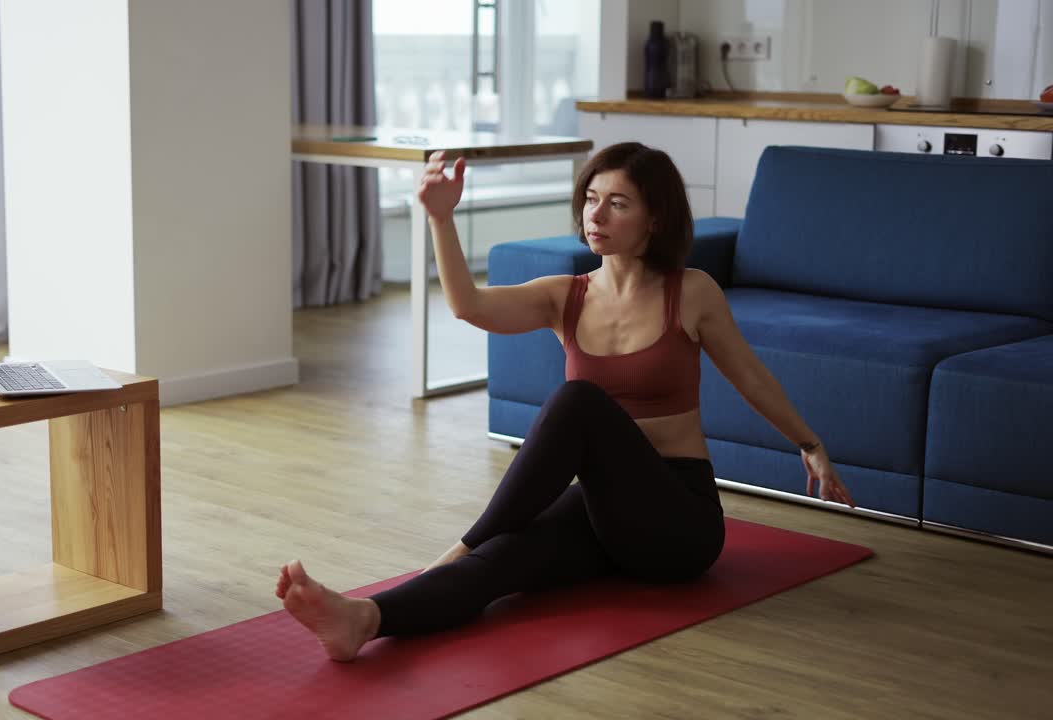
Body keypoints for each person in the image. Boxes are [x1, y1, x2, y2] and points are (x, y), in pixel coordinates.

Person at [275, 142, 856, 662]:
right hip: (604, 515)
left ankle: (456, 547)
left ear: (654, 218)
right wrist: (440, 218)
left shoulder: (692, 292)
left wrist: (811, 445)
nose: (596, 215)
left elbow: (750, 377)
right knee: (500, 562)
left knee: (579, 402)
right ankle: (365, 619)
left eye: (618, 204)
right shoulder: (566, 297)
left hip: (678, 525)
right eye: (591, 199)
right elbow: (468, 306)